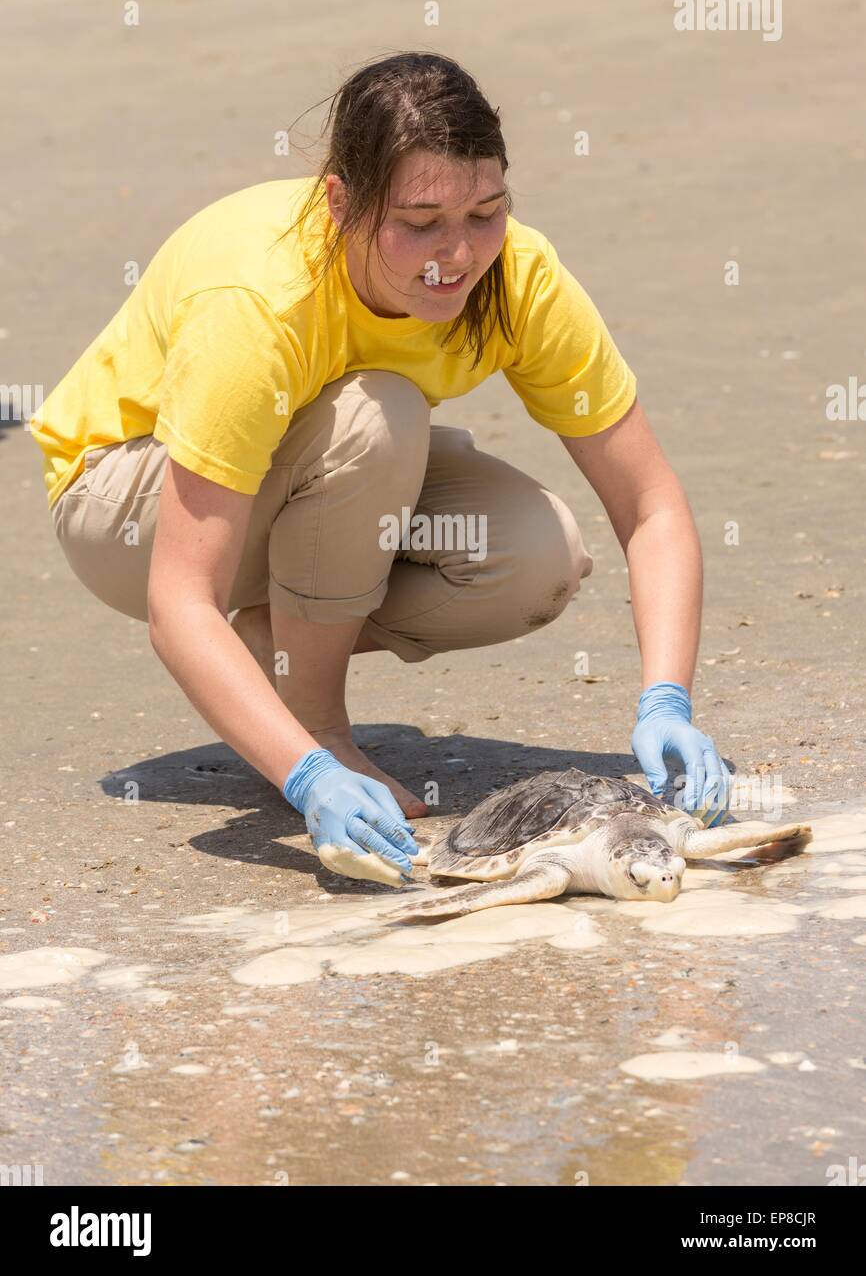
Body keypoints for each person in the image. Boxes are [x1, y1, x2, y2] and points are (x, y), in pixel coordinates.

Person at [32, 50, 731, 888]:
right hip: (123, 504)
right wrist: (308, 774)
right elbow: (179, 602)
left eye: (486, 211)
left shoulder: (519, 278)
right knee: (380, 415)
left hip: (303, 475)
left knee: (535, 556)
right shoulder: (259, 304)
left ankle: (273, 647)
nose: (458, 254)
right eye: (420, 220)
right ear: (341, 202)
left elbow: (649, 505)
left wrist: (667, 700)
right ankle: (313, 720)